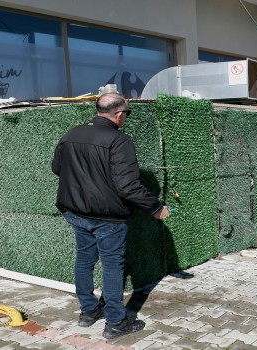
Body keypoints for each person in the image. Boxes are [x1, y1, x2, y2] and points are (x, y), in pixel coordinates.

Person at [51, 93, 170, 339]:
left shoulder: (70, 134)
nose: (125, 118)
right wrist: (156, 208)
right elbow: (128, 186)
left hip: (75, 212)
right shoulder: (119, 140)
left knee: (84, 260)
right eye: (126, 113)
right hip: (108, 218)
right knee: (112, 266)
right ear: (118, 114)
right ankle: (116, 322)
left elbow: (57, 168)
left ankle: (88, 312)